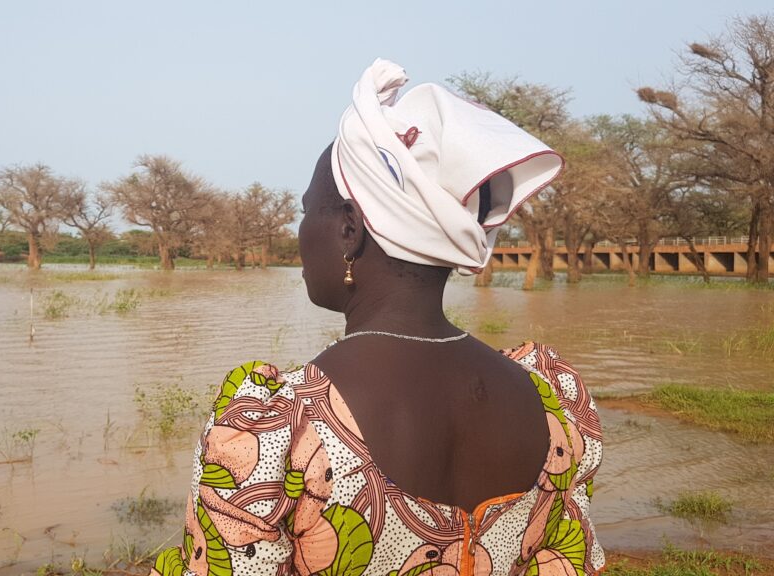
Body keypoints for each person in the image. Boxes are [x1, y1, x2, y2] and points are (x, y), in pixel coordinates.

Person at [153, 59, 604, 576]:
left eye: (308, 211)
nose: (300, 232)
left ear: (350, 229)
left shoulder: (277, 430)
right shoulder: (554, 402)